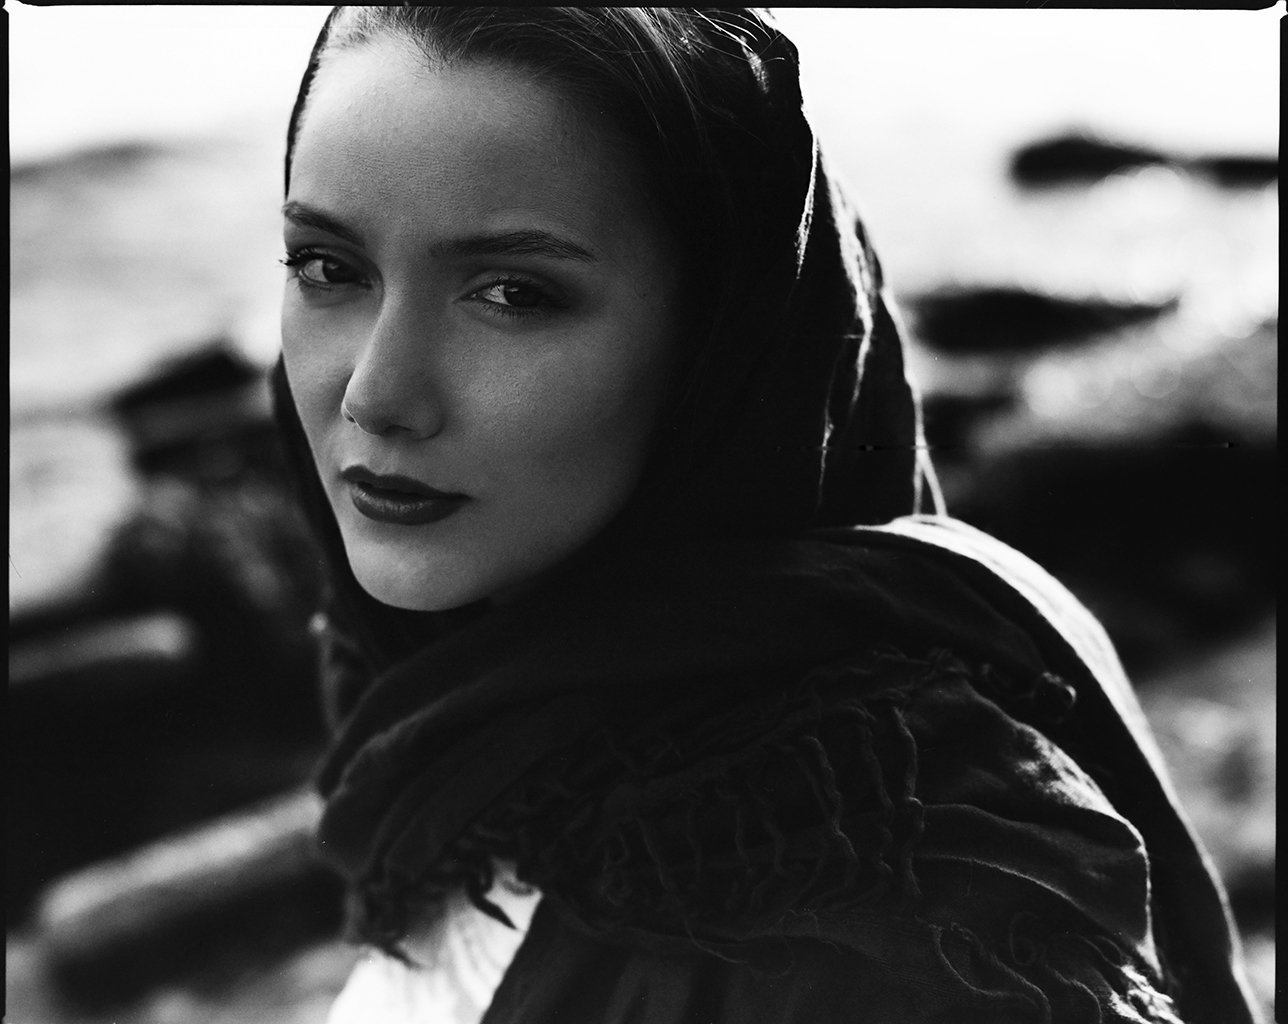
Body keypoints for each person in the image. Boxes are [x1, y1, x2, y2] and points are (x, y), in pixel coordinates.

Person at [270, 7, 1260, 1022]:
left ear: (725, 350)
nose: (375, 396)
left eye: (514, 293)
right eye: (328, 267)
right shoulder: (447, 717)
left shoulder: (902, 912)